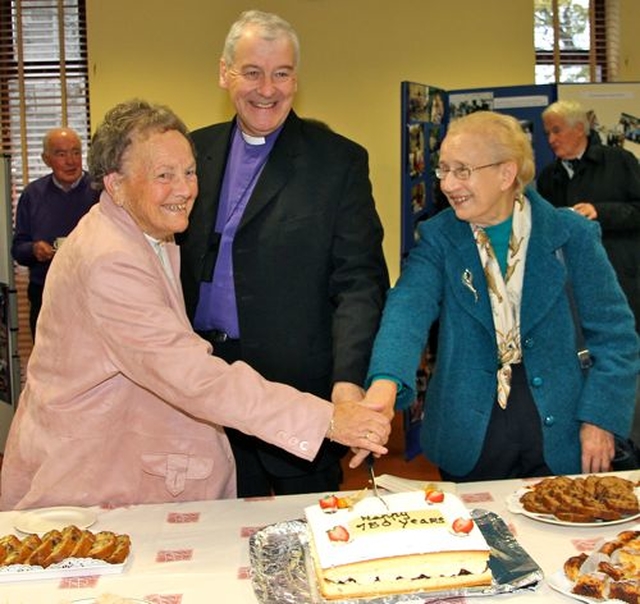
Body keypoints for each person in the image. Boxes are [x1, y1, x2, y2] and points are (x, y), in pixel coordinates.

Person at [0, 99, 392, 511]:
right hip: (93, 482)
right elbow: (192, 377)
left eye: (189, 172)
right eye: (164, 176)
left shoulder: (150, 233)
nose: (185, 189)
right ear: (115, 185)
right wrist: (327, 420)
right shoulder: (109, 259)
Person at [178, 10, 389, 497]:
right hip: (204, 386)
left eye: (282, 73)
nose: (267, 89)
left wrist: (348, 381)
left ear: (297, 77)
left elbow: (360, 283)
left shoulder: (337, 161)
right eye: (252, 72)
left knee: (310, 538)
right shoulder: (192, 153)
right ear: (224, 73)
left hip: (299, 391)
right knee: (212, 539)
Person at [362, 111, 639, 482]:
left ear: (506, 174)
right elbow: (407, 309)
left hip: (563, 424)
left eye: (462, 170)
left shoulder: (571, 234)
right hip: (470, 426)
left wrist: (601, 418)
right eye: (443, 169)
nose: (447, 184)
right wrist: (385, 382)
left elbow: (616, 337)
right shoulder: (440, 236)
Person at [537, 99, 640, 334]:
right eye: (547, 133)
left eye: (557, 130)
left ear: (580, 129)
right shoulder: (548, 177)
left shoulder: (620, 161)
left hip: (622, 276)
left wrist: (600, 212)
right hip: (573, 283)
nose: (551, 140)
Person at [11, 127, 99, 339]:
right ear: (46, 159)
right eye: (61, 154)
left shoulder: (99, 191)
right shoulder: (33, 195)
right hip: (47, 293)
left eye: (76, 152)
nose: (71, 161)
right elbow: (18, 248)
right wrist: (34, 250)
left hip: (93, 292)